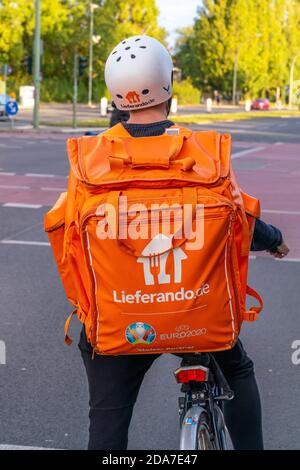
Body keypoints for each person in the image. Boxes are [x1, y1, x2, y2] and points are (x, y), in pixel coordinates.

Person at [78, 35, 289, 450]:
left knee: (107, 412)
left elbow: (69, 231)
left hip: (123, 320)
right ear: (169, 88)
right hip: (196, 312)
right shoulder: (201, 152)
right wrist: (275, 240)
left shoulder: (91, 158)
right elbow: (236, 215)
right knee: (237, 369)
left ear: (116, 98)